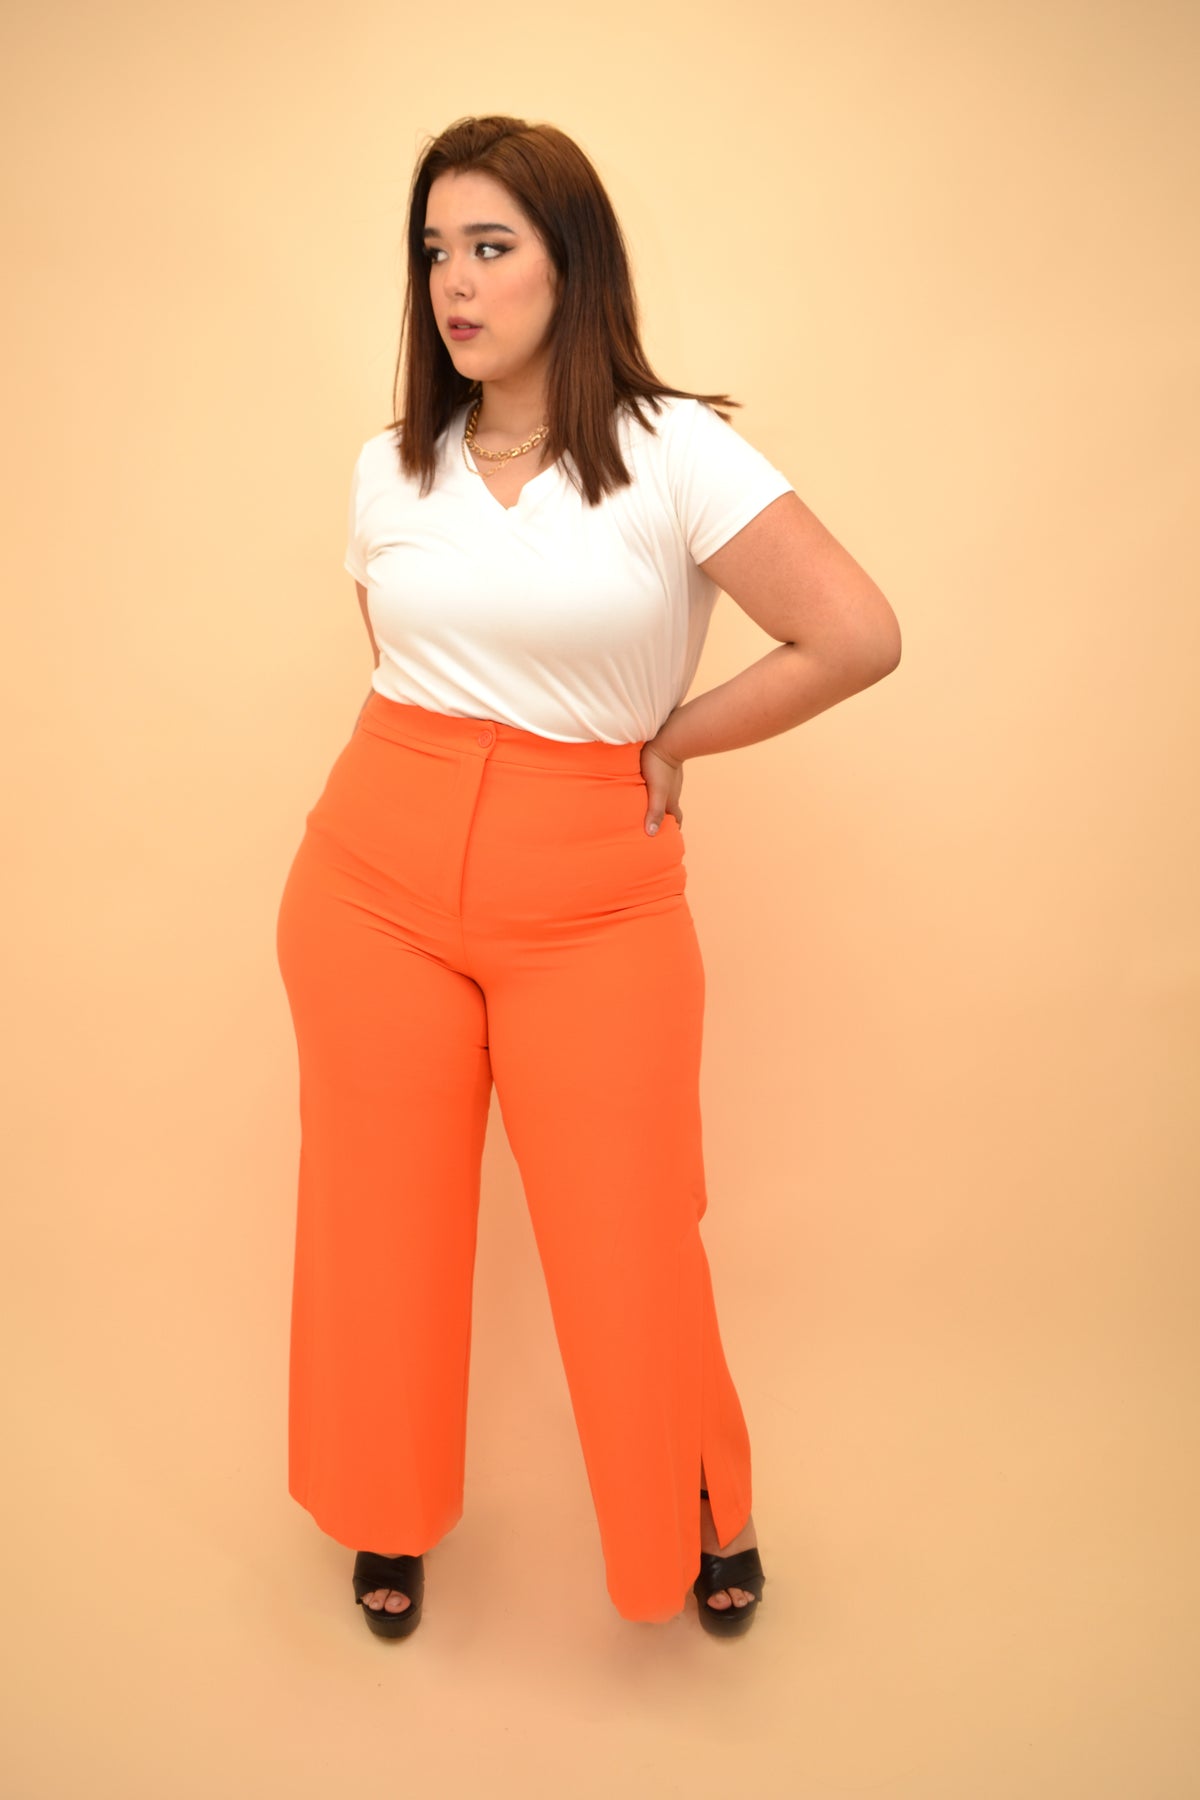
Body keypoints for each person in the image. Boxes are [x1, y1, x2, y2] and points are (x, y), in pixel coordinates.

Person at [275, 114, 900, 1642]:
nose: (454, 282)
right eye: (435, 250)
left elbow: (855, 633)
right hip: (371, 880)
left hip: (591, 891)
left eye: (491, 247)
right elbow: (406, 670)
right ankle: (384, 1509)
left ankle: (702, 1509)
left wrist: (671, 737)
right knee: (379, 1220)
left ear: (573, 264)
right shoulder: (390, 467)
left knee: (629, 1228)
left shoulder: (676, 451)